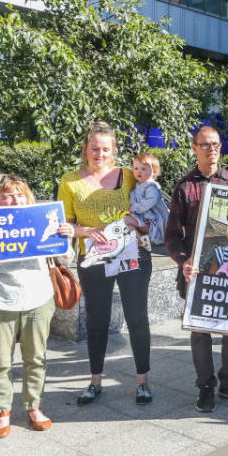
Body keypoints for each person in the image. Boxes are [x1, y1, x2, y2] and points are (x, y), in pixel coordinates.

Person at [0, 174, 73, 438]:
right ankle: (1, 411)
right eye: (7, 194)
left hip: (39, 298)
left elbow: (66, 257)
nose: (15, 199)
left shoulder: (41, 219)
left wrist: (66, 238)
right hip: (1, 300)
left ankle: (34, 407)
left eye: (20, 193)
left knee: (36, 358)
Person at [58, 122, 153, 406]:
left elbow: (151, 214)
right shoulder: (70, 181)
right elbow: (65, 225)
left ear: (113, 151)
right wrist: (86, 231)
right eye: (94, 148)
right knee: (96, 321)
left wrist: (136, 223)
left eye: (106, 149)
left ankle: (142, 382)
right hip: (94, 258)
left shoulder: (130, 175)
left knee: (137, 319)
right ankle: (95, 381)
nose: (100, 153)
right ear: (85, 149)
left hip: (132, 254)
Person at [165, 126, 228, 412]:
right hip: (198, 272)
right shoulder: (184, 187)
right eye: (204, 145)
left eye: (215, 144)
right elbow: (171, 235)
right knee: (200, 331)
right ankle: (205, 385)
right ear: (194, 148)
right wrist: (184, 261)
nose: (211, 149)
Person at [128, 152, 170, 249]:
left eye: (143, 169)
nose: (139, 171)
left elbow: (149, 202)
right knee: (126, 224)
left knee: (125, 221)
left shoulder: (151, 187)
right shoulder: (139, 186)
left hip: (156, 222)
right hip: (147, 220)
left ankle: (143, 243)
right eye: (136, 168)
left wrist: (133, 208)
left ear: (154, 172)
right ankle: (142, 241)